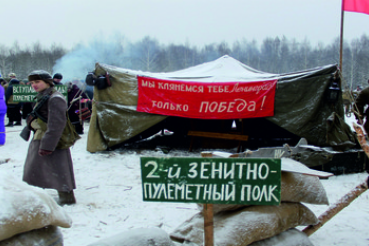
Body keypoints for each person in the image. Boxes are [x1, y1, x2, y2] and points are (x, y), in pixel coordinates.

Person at [22, 70, 76, 205]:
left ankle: (67, 199)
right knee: (34, 170)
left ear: (47, 82)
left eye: (37, 82)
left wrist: (48, 145)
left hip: (52, 140)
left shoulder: (55, 98)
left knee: (59, 170)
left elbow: (57, 124)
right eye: (32, 82)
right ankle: (34, 197)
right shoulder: (43, 96)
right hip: (42, 137)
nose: (34, 85)